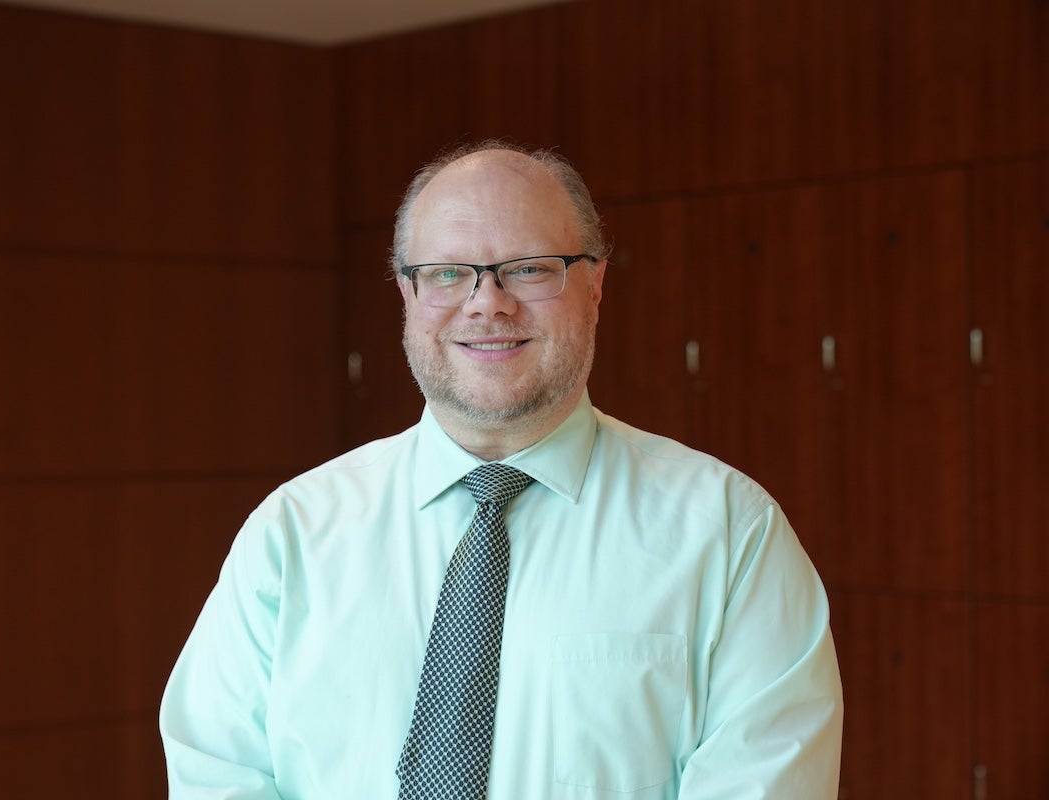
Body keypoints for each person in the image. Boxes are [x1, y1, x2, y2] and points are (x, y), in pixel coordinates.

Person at [159, 141, 843, 799]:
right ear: (407, 292)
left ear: (596, 284)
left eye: (529, 267)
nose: (487, 302)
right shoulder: (294, 533)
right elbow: (219, 773)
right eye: (448, 273)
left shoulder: (727, 533)